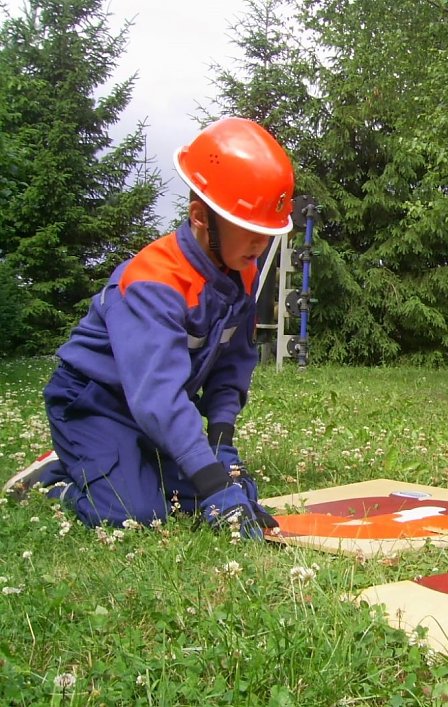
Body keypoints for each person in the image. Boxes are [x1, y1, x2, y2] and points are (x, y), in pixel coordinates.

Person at [3, 117, 293, 538]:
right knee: (133, 515)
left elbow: (234, 362)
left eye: (265, 234)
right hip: (93, 403)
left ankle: (125, 463)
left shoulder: (241, 272)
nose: (259, 246)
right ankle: (57, 478)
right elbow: (156, 396)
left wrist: (221, 444)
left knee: (219, 495)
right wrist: (212, 481)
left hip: (154, 407)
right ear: (199, 217)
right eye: (249, 231)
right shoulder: (153, 282)